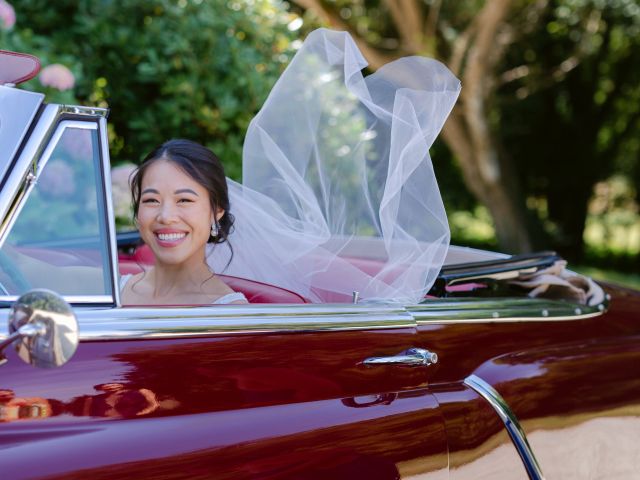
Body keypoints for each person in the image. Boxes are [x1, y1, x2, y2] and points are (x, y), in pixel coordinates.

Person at [120, 139, 248, 305]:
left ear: (217, 211)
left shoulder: (232, 314)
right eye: (151, 200)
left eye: (184, 200)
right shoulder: (110, 289)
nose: (165, 217)